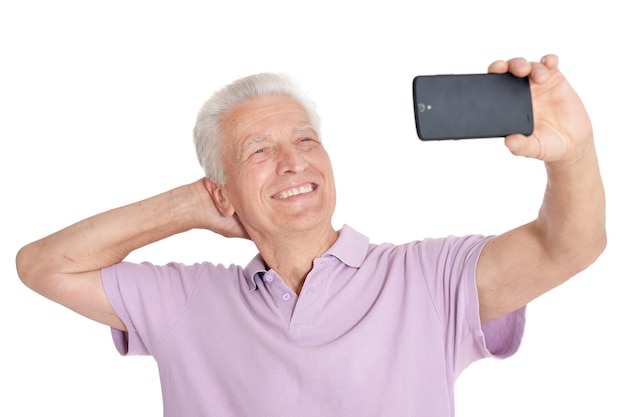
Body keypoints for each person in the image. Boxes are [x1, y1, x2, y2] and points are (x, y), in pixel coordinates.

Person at [16, 54, 606, 416]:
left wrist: (573, 149)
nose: (294, 162)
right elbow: (43, 265)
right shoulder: (188, 302)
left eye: (304, 140)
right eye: (260, 150)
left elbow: (571, 244)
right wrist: (190, 204)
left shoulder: (429, 279)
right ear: (222, 191)